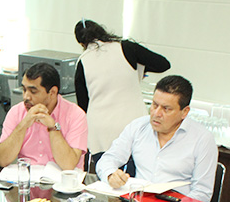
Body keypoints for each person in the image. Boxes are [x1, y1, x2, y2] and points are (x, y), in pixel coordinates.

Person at [96, 75, 218, 202]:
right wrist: (110, 175)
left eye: (166, 109)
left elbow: (202, 194)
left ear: (184, 112)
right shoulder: (138, 127)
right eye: (154, 105)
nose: (156, 113)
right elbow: (107, 159)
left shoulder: (202, 139)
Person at [73, 19, 170, 158]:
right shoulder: (126, 47)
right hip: (131, 123)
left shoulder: (83, 61)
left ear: (81, 43)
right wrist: (139, 68)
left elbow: (83, 106)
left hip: (100, 131)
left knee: (106, 169)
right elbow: (163, 64)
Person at [0, 62, 88, 170]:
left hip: (61, 179)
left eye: (33, 91)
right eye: (24, 89)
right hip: (28, 177)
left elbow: (68, 165)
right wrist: (23, 125)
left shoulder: (75, 115)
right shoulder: (16, 112)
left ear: (52, 92)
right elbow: (2, 160)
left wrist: (53, 127)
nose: (26, 97)